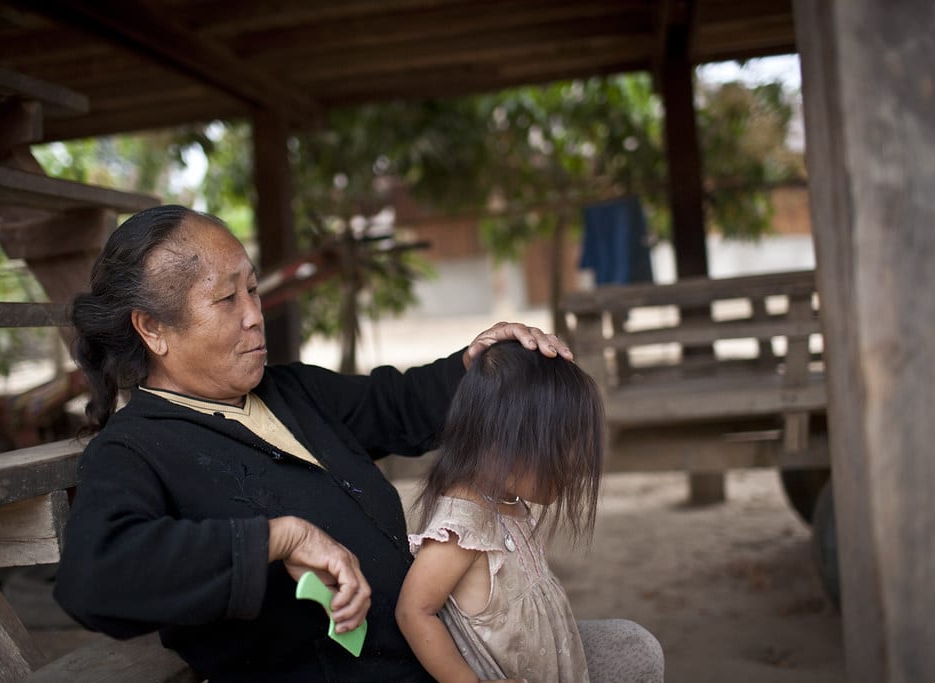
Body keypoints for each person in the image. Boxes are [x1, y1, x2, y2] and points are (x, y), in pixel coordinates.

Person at [53, 204, 575, 682]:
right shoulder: (135, 451)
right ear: (152, 328)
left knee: (630, 647)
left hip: (438, 657)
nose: (254, 314)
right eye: (226, 298)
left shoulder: (293, 391)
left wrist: (478, 361)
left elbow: (396, 404)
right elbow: (93, 576)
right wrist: (276, 540)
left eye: (252, 290)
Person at [397, 341, 663, 682]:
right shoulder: (462, 528)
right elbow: (413, 611)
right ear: (504, 440)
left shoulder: (507, 501)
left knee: (635, 646)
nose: (572, 465)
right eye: (558, 448)